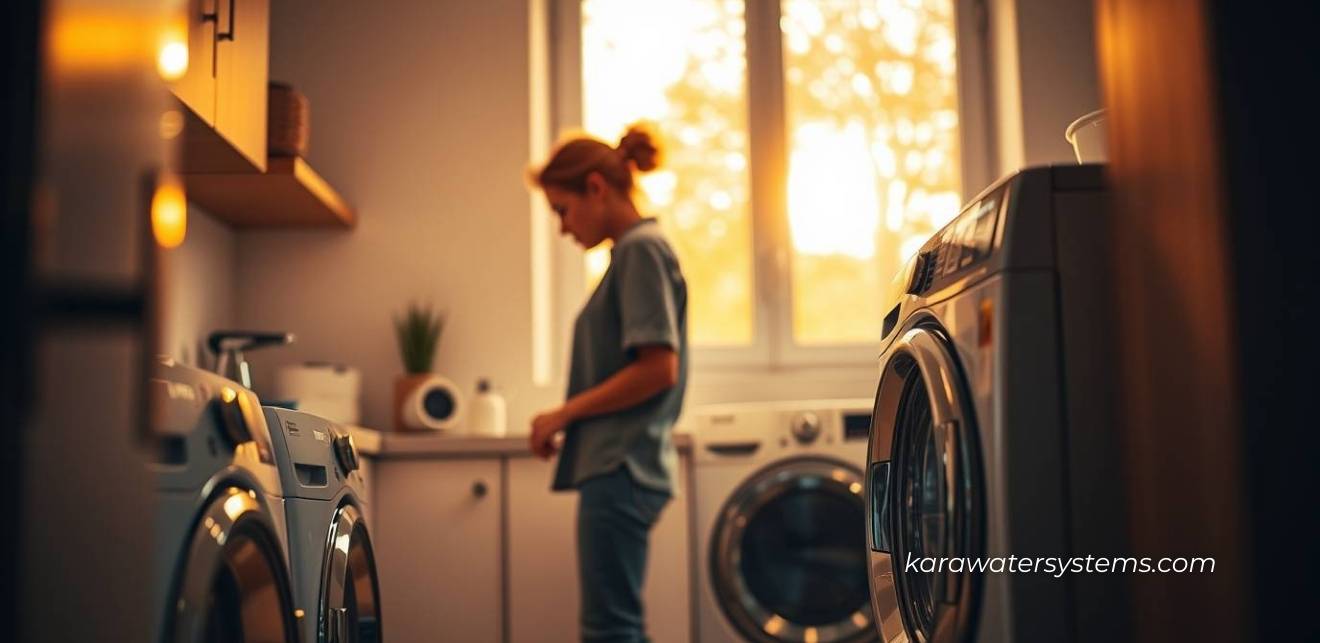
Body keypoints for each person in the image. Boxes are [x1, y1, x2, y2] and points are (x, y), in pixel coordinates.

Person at [527, 124, 688, 643]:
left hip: (622, 465)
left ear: (596, 187)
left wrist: (563, 413)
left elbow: (658, 368)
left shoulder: (640, 250)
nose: (561, 228)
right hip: (625, 465)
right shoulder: (633, 253)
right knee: (614, 625)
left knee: (609, 629)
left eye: (561, 210)